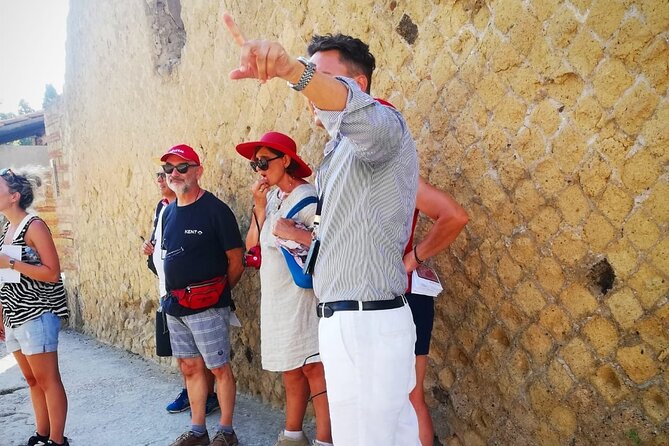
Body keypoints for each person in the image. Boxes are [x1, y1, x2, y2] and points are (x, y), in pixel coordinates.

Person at [224, 16, 420, 445]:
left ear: (359, 85)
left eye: (323, 78)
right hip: (346, 319)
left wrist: (292, 71)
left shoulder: (385, 126)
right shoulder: (341, 149)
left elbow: (355, 112)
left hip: (366, 321)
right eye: (308, 76)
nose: (311, 90)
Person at [236, 131, 332, 446]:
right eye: (255, 164)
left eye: (264, 161)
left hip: (302, 298)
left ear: (286, 160)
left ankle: (325, 440)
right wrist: (259, 206)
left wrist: (292, 231)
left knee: (314, 369)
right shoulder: (275, 197)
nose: (259, 169)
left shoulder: (307, 198)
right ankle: (293, 435)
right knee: (292, 368)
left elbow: (327, 245)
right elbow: (253, 247)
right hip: (279, 299)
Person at [159, 145, 244, 446]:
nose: (174, 174)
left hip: (208, 306)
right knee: (189, 368)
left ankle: (227, 431)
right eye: (169, 169)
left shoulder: (216, 210)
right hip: (176, 306)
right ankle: (198, 431)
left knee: (218, 367)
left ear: (198, 170)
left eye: (182, 167)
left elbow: (236, 259)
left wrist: (218, 294)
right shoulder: (168, 212)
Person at [140, 168, 220, 416]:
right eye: (161, 174)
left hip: (194, 292)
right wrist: (150, 248)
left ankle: (207, 395)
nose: (162, 179)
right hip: (167, 289)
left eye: (166, 174)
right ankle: (190, 391)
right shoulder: (162, 208)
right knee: (181, 350)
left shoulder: (195, 209)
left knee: (202, 350)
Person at [0, 168, 69, 446]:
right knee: (31, 379)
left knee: (48, 379)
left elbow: (52, 272)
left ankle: (57, 440)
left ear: (14, 196)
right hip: (14, 315)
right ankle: (42, 434)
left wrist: (12, 263)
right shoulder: (6, 228)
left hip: (37, 313)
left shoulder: (35, 226)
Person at [403, 178, 469, 446]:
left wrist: (412, 258)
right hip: (372, 300)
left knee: (412, 394)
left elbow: (455, 216)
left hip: (405, 296)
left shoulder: (401, 174)